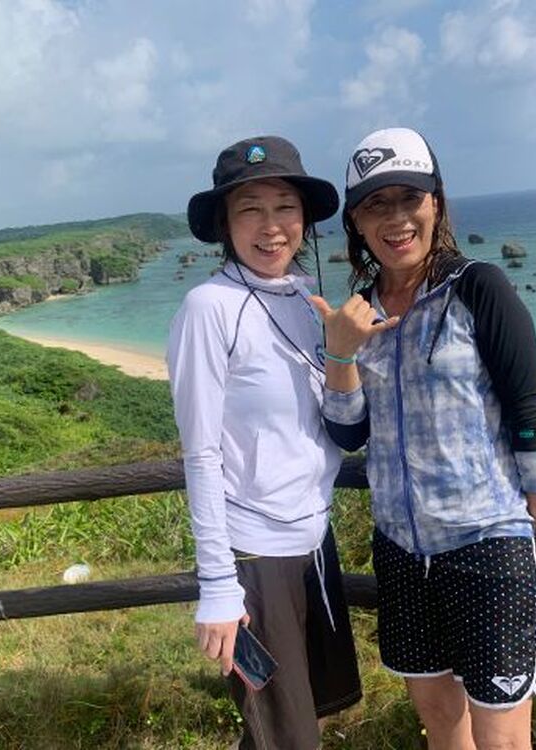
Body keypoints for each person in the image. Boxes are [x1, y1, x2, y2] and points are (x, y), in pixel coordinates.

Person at [311, 127, 536, 750]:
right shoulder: (358, 312)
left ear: (436, 202)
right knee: (441, 723)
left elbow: (528, 411)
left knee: (503, 739)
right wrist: (340, 352)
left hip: (487, 544)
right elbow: (349, 431)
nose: (395, 219)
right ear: (356, 221)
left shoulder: (478, 288)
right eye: (375, 205)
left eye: (409, 198)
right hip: (400, 549)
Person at [167, 135, 362, 750]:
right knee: (284, 733)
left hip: (314, 541)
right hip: (254, 556)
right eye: (250, 209)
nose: (271, 226)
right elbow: (201, 453)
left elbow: (330, 421)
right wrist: (218, 585)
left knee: (304, 718)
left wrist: (345, 353)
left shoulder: (307, 298)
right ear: (226, 225)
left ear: (305, 219)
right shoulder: (208, 308)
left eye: (285, 207)